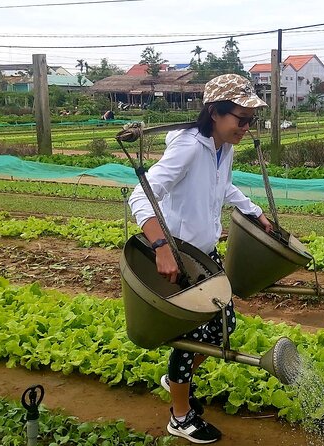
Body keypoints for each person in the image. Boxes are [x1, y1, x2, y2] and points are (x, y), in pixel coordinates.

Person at [128, 73, 273, 444]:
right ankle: (180, 416)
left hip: (205, 255)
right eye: (241, 119)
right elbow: (141, 195)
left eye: (251, 120)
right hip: (180, 258)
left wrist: (254, 212)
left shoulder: (223, 146)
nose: (246, 126)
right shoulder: (189, 148)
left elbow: (222, 185)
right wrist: (161, 247)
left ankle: (177, 380)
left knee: (224, 324)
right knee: (190, 336)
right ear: (215, 113)